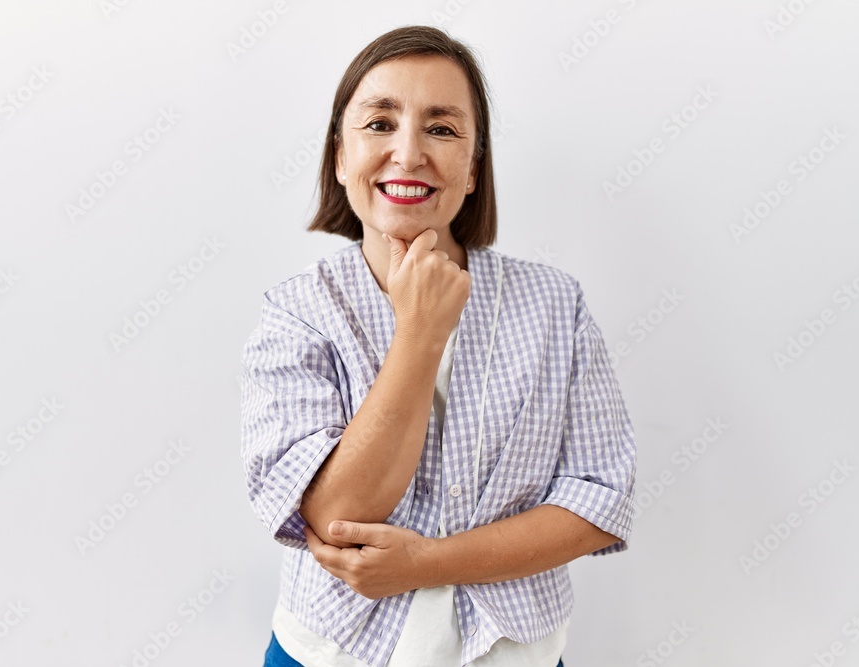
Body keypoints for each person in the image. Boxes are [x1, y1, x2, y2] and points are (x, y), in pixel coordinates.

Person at [241, 25, 637, 667]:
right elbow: (338, 511)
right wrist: (419, 333)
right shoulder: (297, 314)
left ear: (474, 169)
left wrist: (426, 563)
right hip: (332, 652)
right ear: (339, 156)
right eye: (379, 123)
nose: (407, 153)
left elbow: (598, 501)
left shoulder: (555, 306)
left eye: (442, 129)